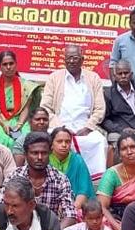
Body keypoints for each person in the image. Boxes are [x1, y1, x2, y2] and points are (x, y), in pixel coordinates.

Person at [40, 44, 109, 175]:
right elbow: (45, 108)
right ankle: (53, 175)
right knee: (50, 140)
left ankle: (94, 181)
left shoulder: (93, 78)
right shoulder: (54, 78)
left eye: (75, 58)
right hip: (58, 126)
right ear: (64, 60)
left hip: (85, 128)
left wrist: (88, 127)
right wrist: (61, 128)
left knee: (99, 142)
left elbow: (100, 109)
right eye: (68, 58)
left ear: (82, 60)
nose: (71, 61)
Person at [10, 131, 78, 228]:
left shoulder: (60, 179)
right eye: (34, 153)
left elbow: (70, 214)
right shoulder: (14, 177)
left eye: (44, 153)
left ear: (50, 153)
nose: (40, 157)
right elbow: (2, 209)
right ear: (25, 154)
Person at [0, 50, 40, 148]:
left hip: (19, 118)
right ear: (0, 66)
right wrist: (3, 124)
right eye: (5, 64)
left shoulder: (26, 85)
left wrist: (20, 124)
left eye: (11, 63)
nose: (8, 67)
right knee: (0, 136)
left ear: (16, 64)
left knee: (25, 137)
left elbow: (26, 109)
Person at [97, 131, 135, 230]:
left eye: (133, 147)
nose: (129, 152)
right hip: (118, 219)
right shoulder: (111, 174)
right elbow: (102, 206)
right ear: (119, 154)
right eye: (124, 149)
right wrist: (119, 228)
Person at [103, 60, 135, 145]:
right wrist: (122, 129)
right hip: (121, 132)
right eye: (120, 74)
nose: (123, 76)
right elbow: (105, 120)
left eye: (126, 73)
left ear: (131, 74)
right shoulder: (108, 94)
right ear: (114, 76)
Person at [49, 126, 95, 210]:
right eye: (59, 141)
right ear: (51, 143)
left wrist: (72, 210)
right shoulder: (45, 160)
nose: (64, 145)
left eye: (67, 142)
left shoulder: (77, 160)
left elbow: (83, 190)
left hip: (75, 206)